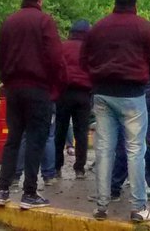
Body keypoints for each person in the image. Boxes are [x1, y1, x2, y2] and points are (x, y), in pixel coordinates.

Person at [82, 0, 150, 223]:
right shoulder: (143, 27)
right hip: (132, 95)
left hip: (103, 94)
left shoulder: (99, 27)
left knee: (104, 150)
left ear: (114, 3)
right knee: (136, 150)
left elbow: (82, 59)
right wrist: (143, 74)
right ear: (135, 4)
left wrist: (96, 76)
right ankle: (138, 208)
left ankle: (101, 206)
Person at [0, 0, 65, 209]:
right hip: (38, 89)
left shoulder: (9, 22)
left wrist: (7, 80)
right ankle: (29, 193)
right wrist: (57, 84)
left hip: (14, 89)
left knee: (13, 139)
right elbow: (55, 56)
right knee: (36, 139)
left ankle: (3, 189)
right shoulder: (45, 22)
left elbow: (1, 55)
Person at [110, 69, 150, 201]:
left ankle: (113, 188)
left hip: (134, 97)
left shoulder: (132, 51)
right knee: (147, 139)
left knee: (125, 140)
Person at [55, 19, 92, 179]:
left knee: (60, 130)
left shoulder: (62, 47)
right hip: (84, 94)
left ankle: (57, 167)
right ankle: (79, 168)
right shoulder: (90, 49)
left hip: (64, 93)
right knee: (81, 132)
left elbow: (55, 67)